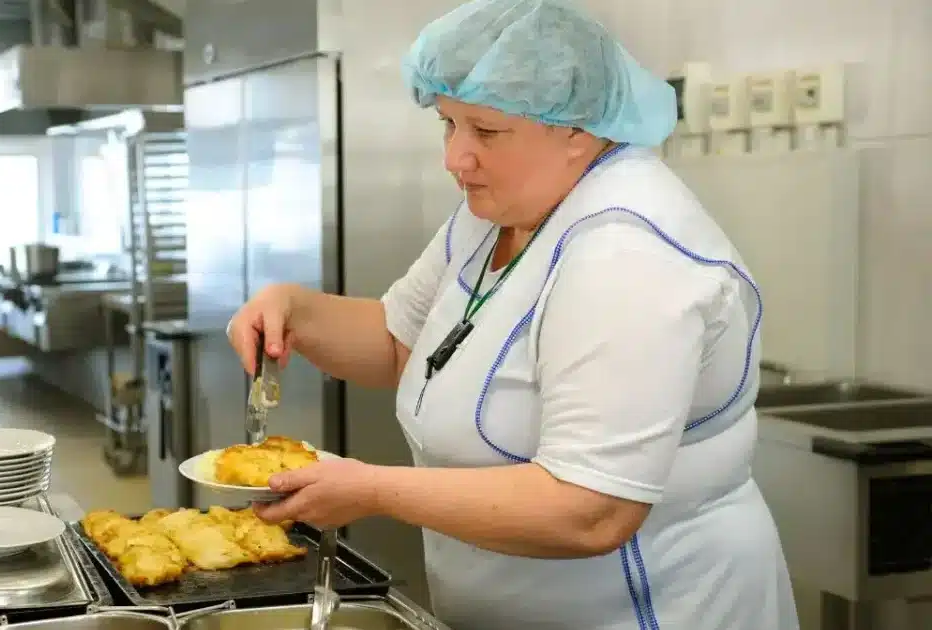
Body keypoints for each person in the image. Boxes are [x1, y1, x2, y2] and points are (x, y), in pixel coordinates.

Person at [225, 0, 800, 628]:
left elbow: (591, 511)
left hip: (649, 610)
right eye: (448, 124)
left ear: (576, 130)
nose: (455, 157)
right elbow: (401, 344)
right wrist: (296, 311)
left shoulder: (627, 256)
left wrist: (371, 489)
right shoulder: (500, 211)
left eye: (485, 131)